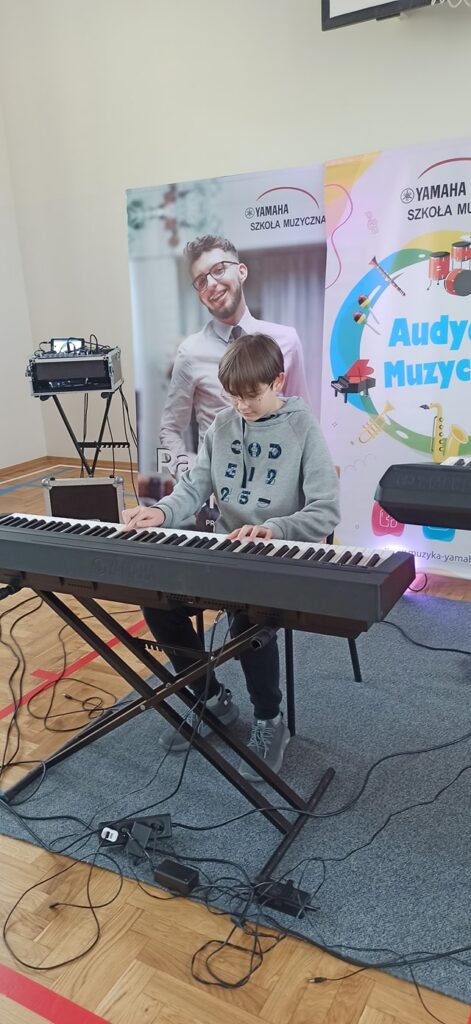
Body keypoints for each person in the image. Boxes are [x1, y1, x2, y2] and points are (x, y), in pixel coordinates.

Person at [123, 334, 340, 781]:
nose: (241, 406)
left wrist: (274, 528)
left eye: (251, 395)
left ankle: (269, 719)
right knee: (157, 600)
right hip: (226, 552)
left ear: (277, 380)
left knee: (247, 619)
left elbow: (326, 511)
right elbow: (193, 488)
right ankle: (210, 699)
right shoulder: (222, 425)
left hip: (280, 556)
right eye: (233, 396)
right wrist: (160, 512)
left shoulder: (303, 427)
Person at [159, 235, 311, 476]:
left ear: (241, 271)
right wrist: (192, 479)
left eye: (219, 270)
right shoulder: (189, 353)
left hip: (275, 487)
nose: (211, 284)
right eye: (201, 281)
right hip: (216, 494)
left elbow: (302, 421)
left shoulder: (287, 341)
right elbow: (169, 429)